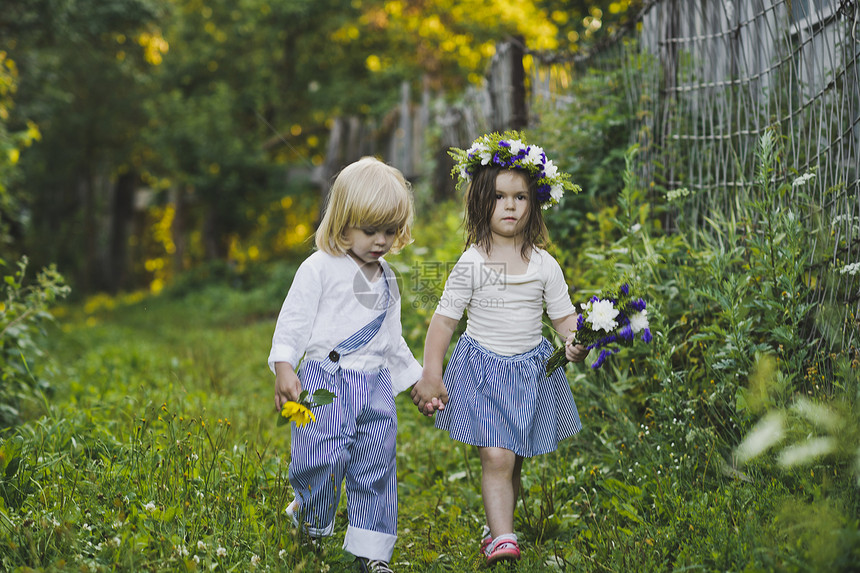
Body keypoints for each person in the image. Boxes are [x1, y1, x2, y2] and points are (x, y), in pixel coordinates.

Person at [410, 132, 588, 566]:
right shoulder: (471, 262)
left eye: (521, 197)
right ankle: (503, 538)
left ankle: (498, 521)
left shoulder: (545, 264)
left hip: (530, 372)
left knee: (514, 457)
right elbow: (444, 321)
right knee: (496, 454)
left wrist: (574, 340)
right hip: (484, 369)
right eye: (500, 197)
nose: (510, 206)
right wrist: (431, 374)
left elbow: (563, 317)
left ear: (535, 203)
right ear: (481, 203)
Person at [269, 156, 422, 573]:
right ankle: (311, 523)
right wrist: (285, 364)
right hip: (326, 381)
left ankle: (372, 551)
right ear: (342, 223)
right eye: (370, 230)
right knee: (318, 458)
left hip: (374, 385)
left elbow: (394, 340)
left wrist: (417, 383)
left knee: (376, 463)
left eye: (389, 231)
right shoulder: (318, 268)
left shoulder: (389, 279)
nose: (380, 241)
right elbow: (294, 321)